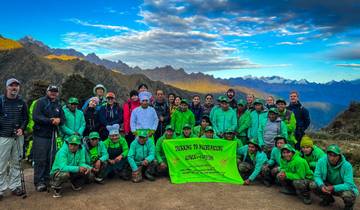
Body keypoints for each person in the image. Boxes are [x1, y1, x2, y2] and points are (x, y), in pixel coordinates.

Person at [32, 85, 65, 192]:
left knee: (51, 158)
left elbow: (63, 119)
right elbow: (36, 117)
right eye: (51, 91)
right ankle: (39, 181)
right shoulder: (41, 102)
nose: (53, 93)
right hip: (40, 135)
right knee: (40, 159)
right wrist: (50, 120)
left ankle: (47, 179)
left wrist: (59, 120)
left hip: (52, 136)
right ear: (47, 91)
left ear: (57, 93)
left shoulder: (58, 105)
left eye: (55, 91)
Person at [0, 78, 28, 199]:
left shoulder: (22, 102)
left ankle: (15, 186)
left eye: (16, 86)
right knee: (1, 163)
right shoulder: (1, 101)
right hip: (3, 136)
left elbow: (25, 118)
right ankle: (0, 189)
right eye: (11, 85)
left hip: (18, 136)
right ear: (7, 87)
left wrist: (22, 128)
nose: (14, 88)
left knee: (16, 162)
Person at [311, 144, 358, 209]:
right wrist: (321, 186)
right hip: (327, 185)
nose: (332, 158)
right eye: (330, 155)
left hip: (340, 186)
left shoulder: (347, 166)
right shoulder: (321, 161)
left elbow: (349, 184)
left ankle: (349, 207)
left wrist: (333, 187)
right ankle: (328, 199)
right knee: (313, 185)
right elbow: (317, 176)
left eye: (335, 155)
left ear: (339, 155)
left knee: (348, 195)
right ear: (327, 154)